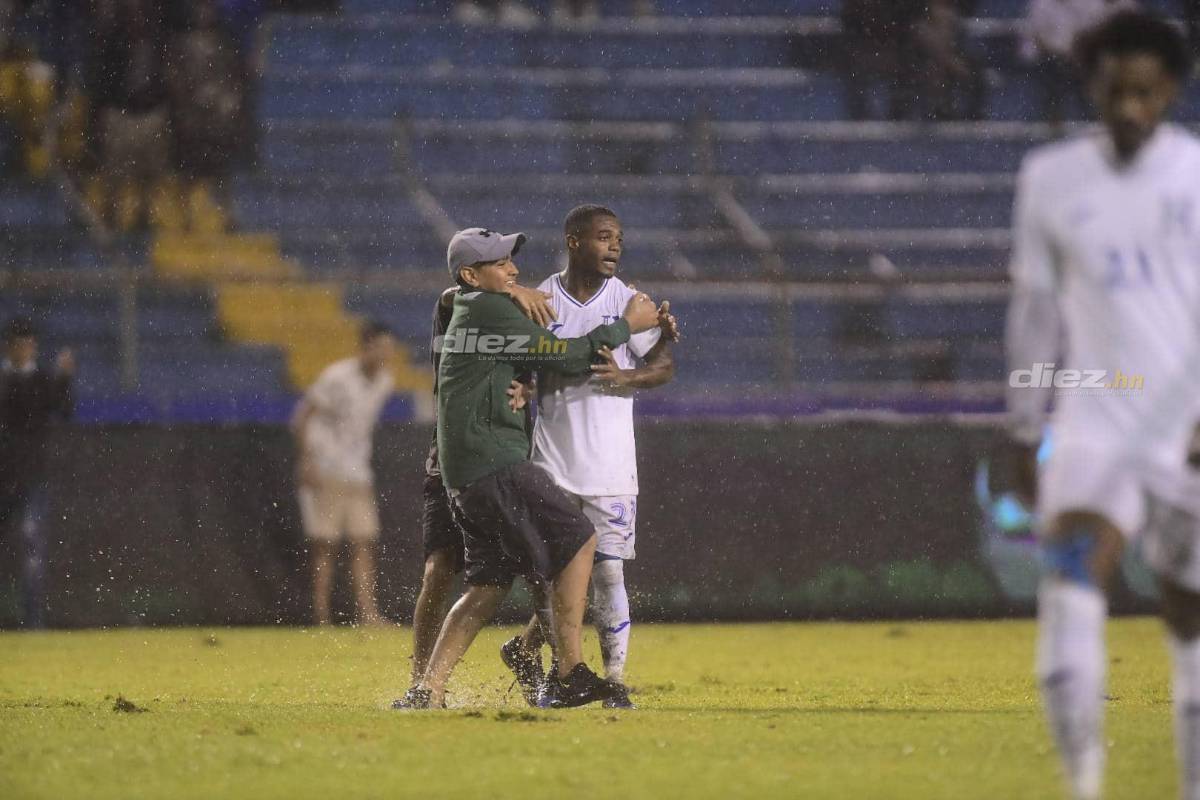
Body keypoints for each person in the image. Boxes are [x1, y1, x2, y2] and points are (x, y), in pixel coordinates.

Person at [1004, 12, 1200, 799]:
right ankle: (1083, 786)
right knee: (1069, 594)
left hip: (1187, 425)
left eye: (1144, 94)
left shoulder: (1195, 175)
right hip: (1095, 417)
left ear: (1170, 90)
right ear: (1093, 87)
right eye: (1116, 92)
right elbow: (1035, 310)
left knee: (1190, 628)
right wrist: (1024, 421)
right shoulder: (1049, 178)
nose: (1129, 109)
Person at [393, 227, 660, 710]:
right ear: (471, 274)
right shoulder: (490, 308)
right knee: (579, 539)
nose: (513, 269)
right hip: (492, 460)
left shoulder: (472, 306)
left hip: (462, 471)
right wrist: (626, 325)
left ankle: (427, 688)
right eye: (500, 264)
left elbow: (522, 348)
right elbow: (570, 355)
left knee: (487, 585)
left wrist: (527, 371)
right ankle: (569, 674)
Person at [497, 205, 679, 710]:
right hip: (552, 462)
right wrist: (524, 382)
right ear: (573, 242)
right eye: (603, 236)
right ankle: (559, 667)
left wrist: (628, 376)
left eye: (618, 237)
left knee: (609, 573)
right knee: (555, 576)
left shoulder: (629, 302)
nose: (614, 245)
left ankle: (612, 677)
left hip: (611, 465)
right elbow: (523, 358)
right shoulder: (542, 299)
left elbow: (664, 365)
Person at [408, 275, 559, 687]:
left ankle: (541, 662)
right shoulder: (461, 312)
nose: (511, 271)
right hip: (449, 464)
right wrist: (509, 291)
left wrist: (531, 385)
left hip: (504, 466)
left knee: (544, 573)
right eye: (500, 263)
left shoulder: (518, 321)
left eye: (512, 265)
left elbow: (547, 366)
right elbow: (447, 298)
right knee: (439, 569)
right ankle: (420, 681)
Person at [291, 322, 396, 627]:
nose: (385, 354)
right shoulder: (337, 376)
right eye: (380, 348)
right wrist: (307, 461)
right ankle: (321, 616)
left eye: (389, 349)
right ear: (365, 347)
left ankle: (368, 614)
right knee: (325, 544)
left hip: (359, 471)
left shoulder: (385, 381)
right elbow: (303, 416)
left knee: (364, 543)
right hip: (328, 467)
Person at [0, 317, 74, 629]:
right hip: (6, 475)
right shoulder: (7, 381)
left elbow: (65, 410)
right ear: (8, 347)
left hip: (31, 476)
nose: (24, 350)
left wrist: (65, 379)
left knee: (32, 543)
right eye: (19, 345)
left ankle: (33, 619)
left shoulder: (42, 381)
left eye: (28, 345)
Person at [1020, 0, 1136, 128]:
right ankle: (1053, 120)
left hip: (1080, 56)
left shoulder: (1085, 3)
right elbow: (1038, 38)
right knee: (1056, 67)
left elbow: (1088, 33)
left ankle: (1096, 118)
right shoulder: (1041, 4)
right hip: (1045, 57)